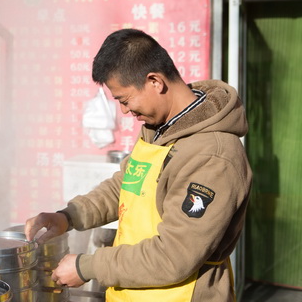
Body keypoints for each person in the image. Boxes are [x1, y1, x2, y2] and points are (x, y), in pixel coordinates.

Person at [25, 29, 252, 301]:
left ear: (155, 81)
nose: (124, 111)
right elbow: (127, 186)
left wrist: (87, 266)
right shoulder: (160, 128)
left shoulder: (213, 156)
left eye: (125, 99)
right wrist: (68, 217)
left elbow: (174, 255)